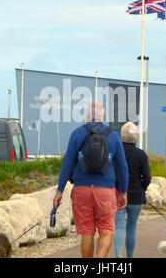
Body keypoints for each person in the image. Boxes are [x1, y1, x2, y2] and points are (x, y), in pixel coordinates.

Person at [53, 101, 129, 258]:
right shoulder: (113, 136)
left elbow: (66, 165)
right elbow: (123, 168)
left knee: (87, 232)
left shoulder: (77, 134)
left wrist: (59, 191)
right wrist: (123, 192)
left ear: (87, 115)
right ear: (103, 116)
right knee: (107, 230)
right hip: (106, 191)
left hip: (82, 190)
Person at [113, 122, 151, 258]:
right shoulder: (141, 155)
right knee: (132, 228)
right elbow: (147, 177)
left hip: (117, 195)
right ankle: (129, 257)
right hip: (136, 197)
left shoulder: (116, 153)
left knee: (119, 226)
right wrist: (143, 189)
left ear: (121, 137)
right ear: (135, 138)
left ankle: (118, 256)